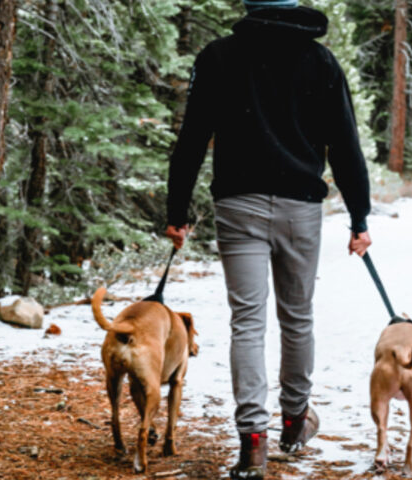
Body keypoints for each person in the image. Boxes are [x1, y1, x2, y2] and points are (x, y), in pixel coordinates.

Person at [165, 0, 371, 478]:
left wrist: (178, 212)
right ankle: (296, 420)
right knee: (297, 317)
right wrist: (359, 217)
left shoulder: (218, 56)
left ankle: (252, 441)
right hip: (301, 207)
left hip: (239, 206)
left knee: (248, 323)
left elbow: (193, 136)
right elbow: (345, 143)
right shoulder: (320, 61)